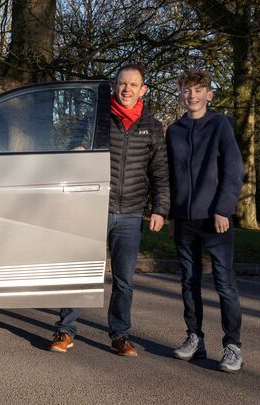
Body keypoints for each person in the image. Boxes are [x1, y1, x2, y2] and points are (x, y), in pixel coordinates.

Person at [49, 63, 170, 356]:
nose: (127, 89)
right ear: (114, 87)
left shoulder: (152, 127)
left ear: (143, 90)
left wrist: (160, 209)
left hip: (130, 214)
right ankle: (65, 330)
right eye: (122, 84)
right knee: (82, 272)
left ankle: (120, 335)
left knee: (124, 280)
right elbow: (72, 154)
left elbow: (160, 173)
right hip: (94, 209)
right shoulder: (96, 119)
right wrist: (76, 152)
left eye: (133, 85)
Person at [166, 69, 244, 373]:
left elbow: (233, 171)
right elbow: (170, 176)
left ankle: (233, 346)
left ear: (208, 94)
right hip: (184, 221)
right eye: (186, 90)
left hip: (216, 220)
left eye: (198, 90)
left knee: (225, 285)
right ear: (181, 94)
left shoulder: (221, 126)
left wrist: (224, 208)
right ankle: (194, 338)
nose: (192, 95)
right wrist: (172, 212)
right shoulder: (174, 130)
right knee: (189, 282)